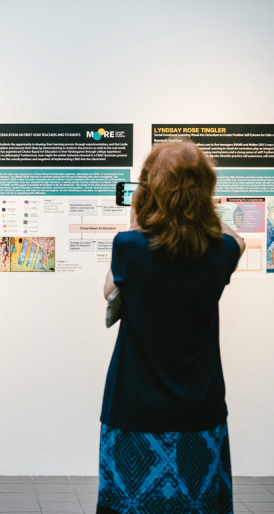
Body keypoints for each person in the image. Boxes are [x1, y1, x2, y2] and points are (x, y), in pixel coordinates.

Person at [98, 141, 245, 513]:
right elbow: (239, 241)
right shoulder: (221, 252)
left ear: (151, 188)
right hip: (200, 402)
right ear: (203, 190)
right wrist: (205, 214)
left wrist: (140, 216)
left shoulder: (129, 247)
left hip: (135, 402)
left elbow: (108, 289)